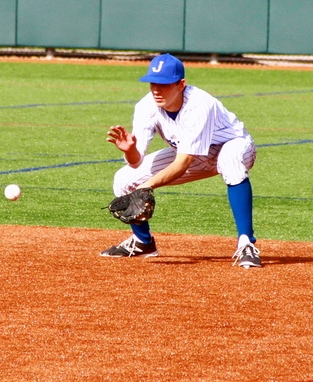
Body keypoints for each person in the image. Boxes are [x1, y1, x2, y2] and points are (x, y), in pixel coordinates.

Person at [100, 53, 262, 268]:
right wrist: (130, 150)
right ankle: (143, 243)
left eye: (164, 84)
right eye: (153, 83)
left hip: (234, 146)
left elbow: (183, 163)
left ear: (181, 84)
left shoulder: (199, 105)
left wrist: (147, 187)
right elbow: (136, 162)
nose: (157, 90)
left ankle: (246, 243)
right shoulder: (146, 107)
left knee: (230, 161)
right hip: (192, 154)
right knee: (124, 178)